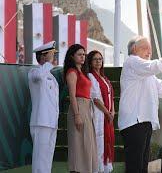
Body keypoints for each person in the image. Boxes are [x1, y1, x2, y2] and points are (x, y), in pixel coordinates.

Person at [118, 36, 162, 173]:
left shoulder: (146, 72)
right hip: (134, 123)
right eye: (145, 48)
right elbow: (157, 65)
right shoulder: (133, 62)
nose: (149, 52)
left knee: (142, 167)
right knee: (135, 167)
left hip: (143, 122)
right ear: (134, 49)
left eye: (150, 49)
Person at [63, 44, 97, 173]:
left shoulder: (83, 72)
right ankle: (77, 170)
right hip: (79, 107)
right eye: (79, 54)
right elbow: (72, 95)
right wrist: (77, 115)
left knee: (87, 143)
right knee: (78, 144)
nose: (83, 57)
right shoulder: (72, 72)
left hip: (86, 108)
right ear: (72, 56)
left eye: (84, 54)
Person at [28, 41, 59, 173]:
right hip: (41, 121)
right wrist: (47, 63)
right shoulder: (34, 72)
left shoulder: (51, 75)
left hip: (51, 122)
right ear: (43, 56)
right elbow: (39, 76)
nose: (54, 57)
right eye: (52, 54)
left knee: (47, 158)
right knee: (40, 159)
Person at [87, 50, 115, 173]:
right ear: (90, 62)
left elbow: (111, 96)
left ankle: (106, 167)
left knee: (108, 141)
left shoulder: (104, 77)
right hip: (99, 114)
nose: (98, 61)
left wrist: (112, 111)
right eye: (95, 59)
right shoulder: (90, 76)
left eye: (100, 59)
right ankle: (98, 169)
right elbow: (96, 99)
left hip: (108, 114)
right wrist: (107, 112)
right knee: (99, 142)